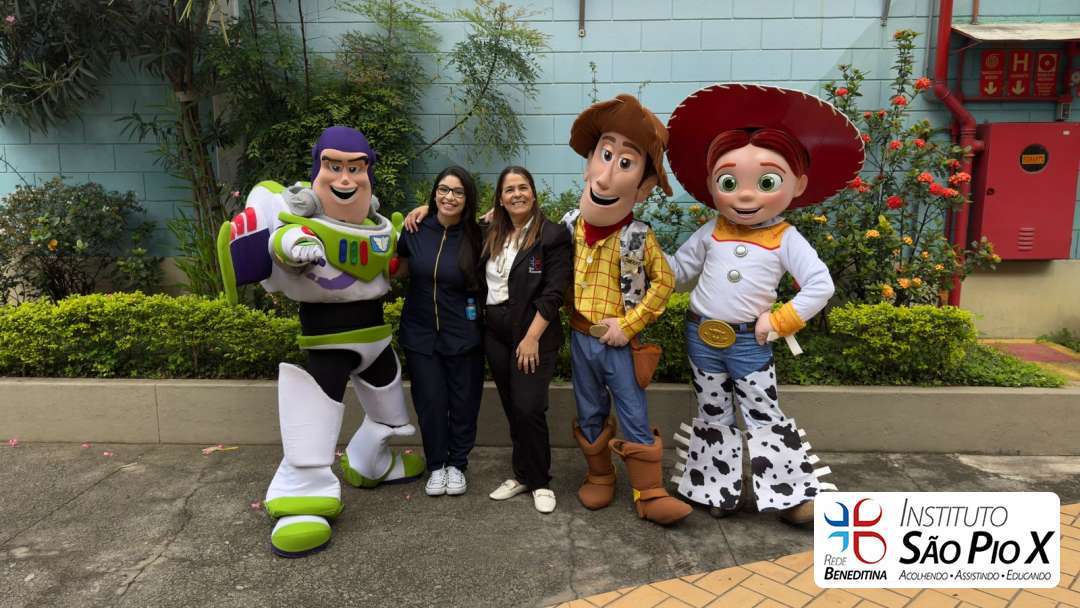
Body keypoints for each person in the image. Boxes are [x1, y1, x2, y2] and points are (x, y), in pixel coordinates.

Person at [218, 125, 423, 557]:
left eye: (356, 168)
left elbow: (394, 261)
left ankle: (369, 463)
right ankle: (300, 499)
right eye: (334, 167)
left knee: (390, 415)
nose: (346, 179)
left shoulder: (379, 228)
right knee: (313, 415)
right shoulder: (300, 224)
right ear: (317, 171)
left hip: (376, 338)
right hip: (328, 339)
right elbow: (284, 243)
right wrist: (297, 248)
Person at [664, 83, 862, 524]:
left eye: (766, 182)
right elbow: (677, 273)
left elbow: (820, 285)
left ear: (798, 184)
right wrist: (643, 256)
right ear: (712, 184)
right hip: (701, 335)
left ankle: (791, 497)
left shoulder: (786, 237)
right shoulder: (710, 231)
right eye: (729, 182)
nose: (745, 195)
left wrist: (780, 319)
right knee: (712, 411)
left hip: (749, 343)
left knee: (762, 412)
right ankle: (716, 490)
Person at [561, 95, 692, 526]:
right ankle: (600, 476)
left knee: (633, 411)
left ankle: (649, 492)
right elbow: (524, 246)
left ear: (644, 186)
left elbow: (664, 282)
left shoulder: (639, 236)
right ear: (588, 164)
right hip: (580, 338)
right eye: (605, 155)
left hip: (619, 345)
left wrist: (630, 324)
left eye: (625, 163)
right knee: (588, 408)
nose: (606, 176)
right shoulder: (568, 227)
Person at [480, 166, 572, 514]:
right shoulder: (492, 231)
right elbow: (454, 218)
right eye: (509, 190)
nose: (517, 194)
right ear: (500, 199)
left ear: (533, 193)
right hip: (495, 331)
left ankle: (540, 481)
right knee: (511, 406)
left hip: (533, 332)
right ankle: (522, 475)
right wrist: (423, 209)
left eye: (522, 187)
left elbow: (553, 293)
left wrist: (532, 337)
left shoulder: (552, 234)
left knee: (529, 407)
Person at [396, 166, 485, 498]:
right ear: (434, 193)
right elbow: (398, 268)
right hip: (420, 334)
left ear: (468, 198)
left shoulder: (479, 235)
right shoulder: (415, 229)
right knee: (430, 402)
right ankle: (436, 465)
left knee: (464, 402)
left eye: (458, 192)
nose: (450, 197)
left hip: (464, 334)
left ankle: (457, 464)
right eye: (444, 190)